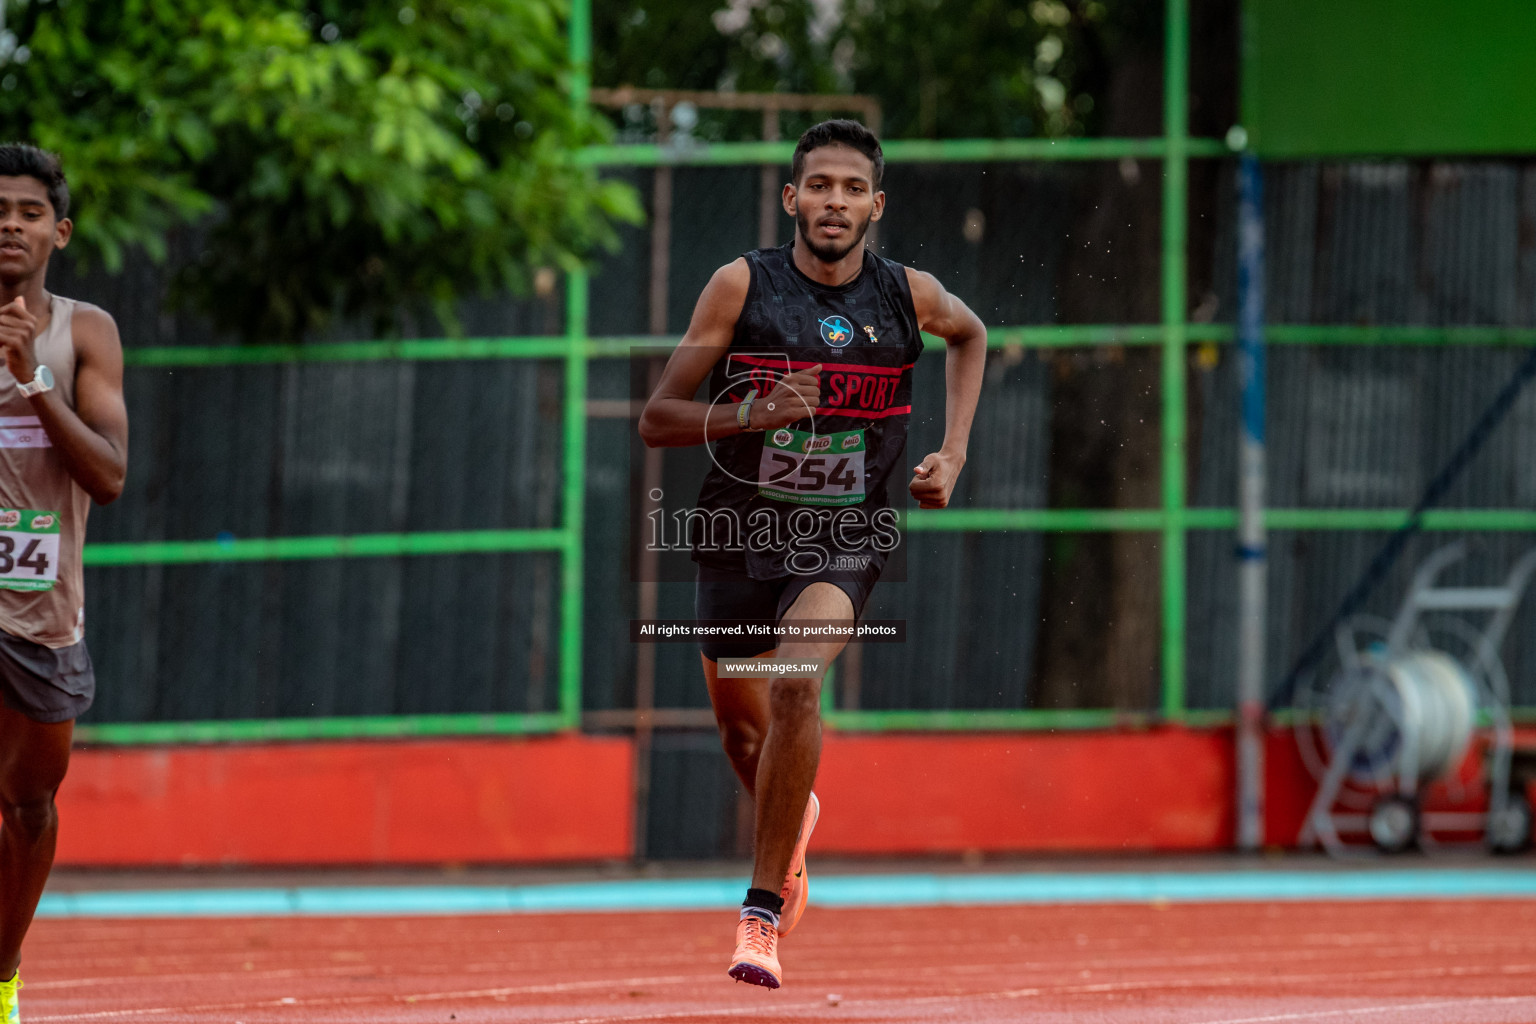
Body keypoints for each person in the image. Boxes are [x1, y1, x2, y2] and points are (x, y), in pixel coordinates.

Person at [638, 120, 985, 989]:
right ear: (792, 199)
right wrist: (751, 415)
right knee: (741, 732)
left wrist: (954, 452)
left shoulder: (910, 296)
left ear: (876, 204)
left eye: (851, 188)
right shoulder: (738, 288)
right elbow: (658, 419)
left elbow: (972, 334)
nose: (835, 201)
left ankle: (759, 919)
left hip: (846, 533)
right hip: (738, 532)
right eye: (819, 186)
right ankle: (794, 813)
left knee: (799, 680)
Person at [0, 143, 129, 1021]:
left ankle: (2, 968)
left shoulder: (84, 332)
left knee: (29, 806)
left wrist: (32, 383)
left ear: (60, 231)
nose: (10, 224)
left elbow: (111, 475)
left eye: (28, 211)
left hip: (42, 612)